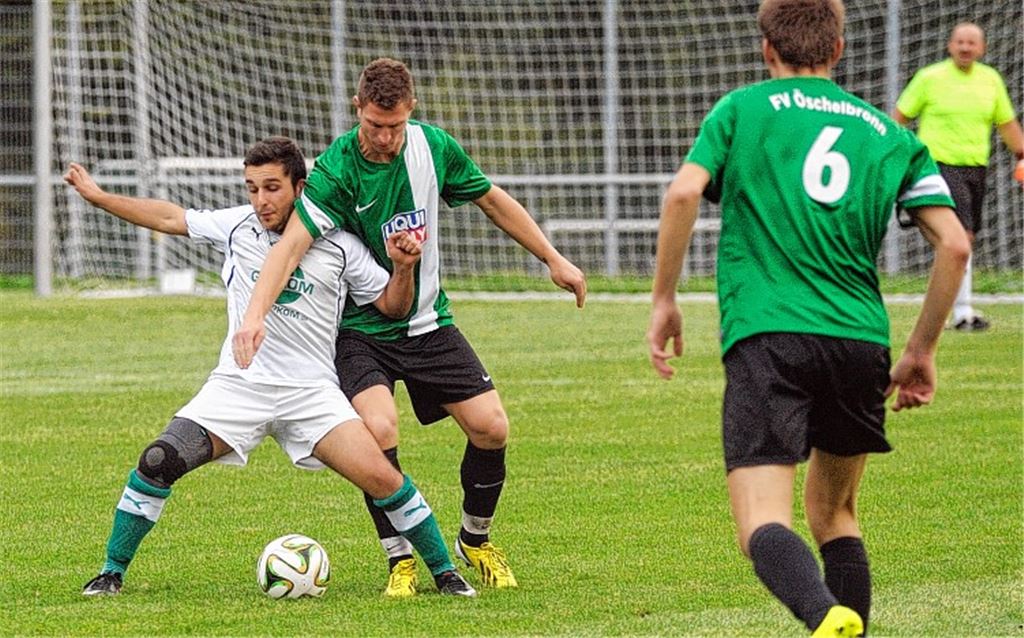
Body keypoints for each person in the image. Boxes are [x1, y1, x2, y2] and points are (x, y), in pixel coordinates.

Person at [647, 1, 969, 636]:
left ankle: (825, 617)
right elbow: (955, 245)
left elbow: (684, 192)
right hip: (859, 341)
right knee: (836, 513)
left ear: (767, 48)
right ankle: (845, 622)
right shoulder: (890, 134)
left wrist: (664, 299)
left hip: (769, 333)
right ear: (839, 49)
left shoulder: (743, 109)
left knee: (763, 524)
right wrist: (921, 349)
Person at [233, 58, 587, 597]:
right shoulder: (335, 170)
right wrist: (254, 316)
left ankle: (477, 539)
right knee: (379, 432)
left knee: (492, 427)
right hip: (361, 332)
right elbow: (290, 247)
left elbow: (491, 199)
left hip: (427, 323)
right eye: (375, 125)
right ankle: (399, 557)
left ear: (410, 111)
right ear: (359, 111)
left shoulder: (433, 147)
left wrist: (553, 259)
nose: (386, 137)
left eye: (395, 125)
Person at [64, 136, 476, 597]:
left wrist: (403, 268)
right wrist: (99, 197)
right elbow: (169, 217)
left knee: (383, 476)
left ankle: (445, 572)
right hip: (239, 387)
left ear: (300, 187)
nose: (261, 200)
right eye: (252, 188)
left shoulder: (340, 243)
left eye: (272, 188)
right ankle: (111, 572)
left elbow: (393, 308)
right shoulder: (237, 227)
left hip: (311, 393)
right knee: (158, 460)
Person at [894, 22, 1024, 331]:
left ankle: (956, 308)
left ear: (982, 48)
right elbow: (899, 118)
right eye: (960, 42)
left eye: (971, 42)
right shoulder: (929, 78)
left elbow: (1007, 125)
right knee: (959, 237)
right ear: (949, 45)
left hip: (975, 169)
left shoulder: (990, 80)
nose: (965, 47)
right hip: (937, 166)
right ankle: (962, 313)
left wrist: (1021, 153)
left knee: (964, 238)